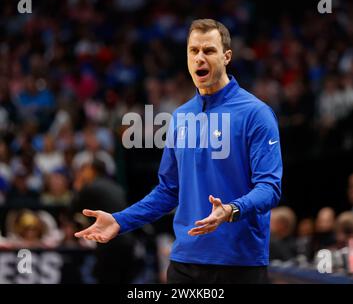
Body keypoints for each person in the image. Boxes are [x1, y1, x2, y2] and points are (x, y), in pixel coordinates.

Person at [75, 19, 283, 284]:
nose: (199, 58)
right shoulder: (182, 116)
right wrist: (120, 221)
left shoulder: (257, 114)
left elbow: (270, 187)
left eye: (208, 50)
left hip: (239, 264)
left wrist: (231, 210)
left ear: (227, 56)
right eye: (193, 51)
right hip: (185, 263)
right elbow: (168, 190)